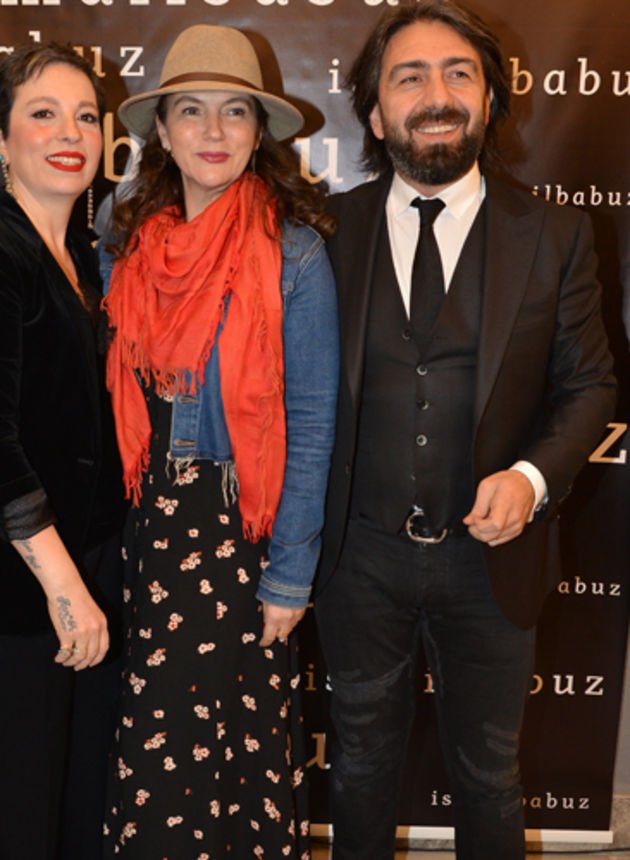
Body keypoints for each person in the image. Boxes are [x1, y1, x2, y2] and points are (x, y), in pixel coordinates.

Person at [314, 2, 617, 858]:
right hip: (357, 559)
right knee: (358, 770)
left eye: (458, 73)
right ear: (377, 114)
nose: (436, 95)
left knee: (490, 777)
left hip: (492, 565)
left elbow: (591, 386)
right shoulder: (323, 233)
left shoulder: (556, 234)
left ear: (489, 99)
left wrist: (530, 478)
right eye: (409, 77)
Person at [100, 24, 338, 858]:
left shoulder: (296, 255)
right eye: (191, 111)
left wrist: (290, 576)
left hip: (239, 538)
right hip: (141, 529)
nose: (212, 130)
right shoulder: (123, 238)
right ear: (162, 132)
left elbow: (312, 425)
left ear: (258, 131)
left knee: (233, 760)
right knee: (148, 753)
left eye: (234, 111)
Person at [0, 43, 125, 860]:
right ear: (2, 140)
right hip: (23, 597)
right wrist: (64, 587)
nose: (69, 134)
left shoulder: (80, 255)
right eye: (42, 114)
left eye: (84, 116)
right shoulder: (5, 252)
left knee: (77, 815)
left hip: (87, 573)